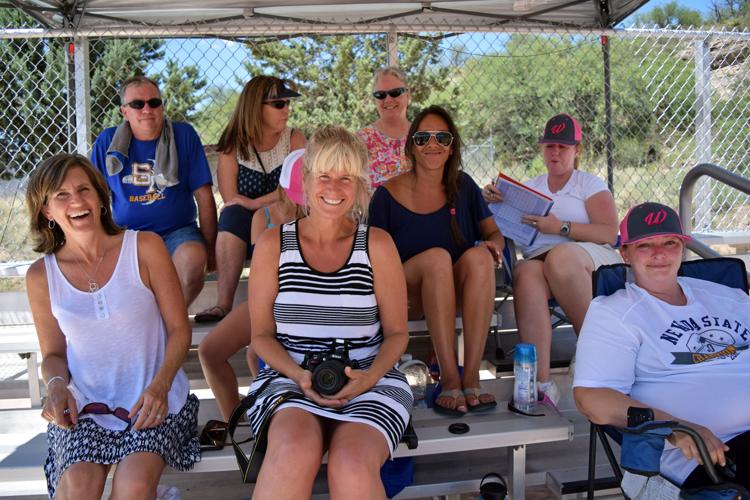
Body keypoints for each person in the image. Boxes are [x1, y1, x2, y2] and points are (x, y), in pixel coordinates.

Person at [247, 126, 412, 498]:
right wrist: (300, 376)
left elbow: (398, 333)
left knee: (351, 464)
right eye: (324, 176)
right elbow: (260, 336)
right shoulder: (273, 245)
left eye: (346, 178)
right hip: (289, 379)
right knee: (291, 451)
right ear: (305, 181)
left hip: (370, 380)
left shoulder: (377, 245)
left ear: (359, 185)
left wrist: (368, 378)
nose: (334, 189)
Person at [25, 154, 200, 499]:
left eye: (83, 189)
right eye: (61, 195)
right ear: (46, 211)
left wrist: (160, 385)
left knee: (133, 487)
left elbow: (180, 330)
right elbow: (54, 354)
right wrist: (58, 386)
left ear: (100, 197)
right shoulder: (41, 276)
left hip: (154, 400)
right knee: (78, 487)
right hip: (86, 406)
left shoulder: (144, 247)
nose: (76, 201)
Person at [574, 202, 750, 489]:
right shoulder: (615, 312)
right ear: (625, 253)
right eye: (645, 245)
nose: (659, 253)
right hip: (709, 457)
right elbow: (591, 399)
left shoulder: (729, 297)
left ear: (682, 248)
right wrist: (675, 427)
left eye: (669, 242)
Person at [370, 105, 504, 416]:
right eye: (423, 138)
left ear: (452, 145)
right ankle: (449, 379)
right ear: (411, 146)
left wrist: (493, 246)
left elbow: (494, 234)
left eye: (442, 138)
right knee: (436, 259)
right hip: (404, 297)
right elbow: (374, 260)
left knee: (479, 258)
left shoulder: (463, 186)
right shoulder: (386, 195)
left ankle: (471, 379)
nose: (433, 144)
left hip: (453, 294)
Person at [482, 113, 620, 406]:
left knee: (561, 257)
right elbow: (501, 224)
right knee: (525, 276)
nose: (555, 152)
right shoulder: (531, 187)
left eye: (563, 146)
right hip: (540, 259)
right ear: (542, 149)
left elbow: (609, 232)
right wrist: (490, 199)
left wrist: (561, 227)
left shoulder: (588, 184)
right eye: (550, 146)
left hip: (588, 258)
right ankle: (540, 385)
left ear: (577, 150)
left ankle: (594, 352)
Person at [90, 75, 217, 307]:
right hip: (128, 234)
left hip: (177, 231)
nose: (147, 109)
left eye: (154, 102)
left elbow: (204, 196)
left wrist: (210, 249)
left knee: (192, 259)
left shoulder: (183, 135)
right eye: (137, 104)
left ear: (162, 106)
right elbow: (91, 197)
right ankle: (154, 326)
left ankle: (167, 325)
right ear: (124, 111)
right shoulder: (107, 141)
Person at [198, 149, 306, 421]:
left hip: (306, 301)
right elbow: (263, 275)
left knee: (258, 355)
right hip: (270, 298)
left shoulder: (325, 216)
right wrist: (262, 329)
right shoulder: (265, 216)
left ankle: (269, 408)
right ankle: (234, 420)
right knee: (210, 351)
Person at [194, 76, 306, 323]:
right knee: (232, 215)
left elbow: (295, 189)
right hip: (245, 222)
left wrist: (255, 205)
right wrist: (251, 208)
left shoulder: (294, 138)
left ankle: (277, 300)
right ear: (256, 107)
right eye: (279, 104)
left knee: (272, 212)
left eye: (287, 104)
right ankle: (223, 304)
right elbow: (232, 199)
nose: (287, 110)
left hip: (285, 212)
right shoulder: (233, 145)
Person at [357, 66, 412, 188]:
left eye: (395, 92)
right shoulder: (362, 140)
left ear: (408, 95)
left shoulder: (422, 136)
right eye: (380, 94)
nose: (388, 99)